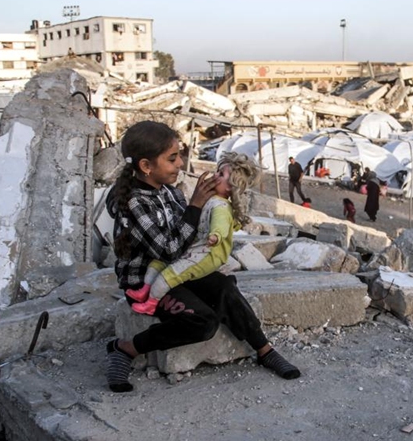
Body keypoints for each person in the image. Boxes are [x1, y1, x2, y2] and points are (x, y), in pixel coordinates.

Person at [105, 121, 300, 393]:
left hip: (177, 270)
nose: (180, 163)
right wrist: (196, 205)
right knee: (203, 321)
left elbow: (189, 234)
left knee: (224, 287)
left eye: (180, 155)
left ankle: (264, 349)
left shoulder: (170, 192)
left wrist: (220, 212)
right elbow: (169, 248)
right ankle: (127, 348)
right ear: (146, 166)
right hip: (147, 281)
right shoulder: (135, 203)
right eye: (172, 158)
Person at [125, 153, 259, 315]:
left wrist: (215, 236)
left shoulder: (221, 207)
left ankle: (152, 303)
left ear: (230, 187)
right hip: (194, 247)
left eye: (221, 174)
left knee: (169, 275)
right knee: (158, 263)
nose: (215, 175)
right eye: (218, 171)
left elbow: (221, 226)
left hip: (206, 252)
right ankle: (145, 290)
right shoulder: (209, 199)